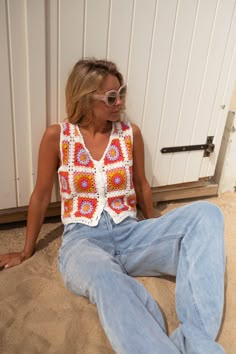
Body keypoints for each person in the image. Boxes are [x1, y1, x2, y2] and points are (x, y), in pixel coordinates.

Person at [0, 59, 226, 354]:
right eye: (110, 97)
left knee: (207, 214)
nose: (119, 102)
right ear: (84, 97)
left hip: (131, 233)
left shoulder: (130, 134)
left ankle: (196, 343)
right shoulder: (57, 137)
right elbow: (41, 195)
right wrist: (26, 250)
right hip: (83, 242)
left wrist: (156, 224)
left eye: (122, 93)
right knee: (107, 281)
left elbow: (142, 184)